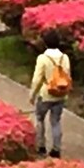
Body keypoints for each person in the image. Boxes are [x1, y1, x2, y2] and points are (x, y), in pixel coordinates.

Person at [29, 30, 72, 158]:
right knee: (56, 121)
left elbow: (37, 79)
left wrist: (32, 94)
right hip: (60, 94)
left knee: (40, 119)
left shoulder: (43, 58)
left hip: (46, 94)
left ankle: (41, 146)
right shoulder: (65, 58)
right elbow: (68, 76)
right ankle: (56, 149)